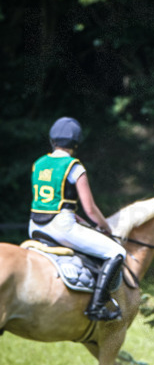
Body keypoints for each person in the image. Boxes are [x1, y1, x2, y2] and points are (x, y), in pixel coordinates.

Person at [29, 117, 126, 321]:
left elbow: (51, 202)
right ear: (75, 143)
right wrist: (105, 227)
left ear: (52, 140)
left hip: (35, 227)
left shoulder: (38, 164)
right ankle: (97, 307)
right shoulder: (74, 167)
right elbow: (90, 209)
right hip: (61, 228)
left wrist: (77, 217)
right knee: (117, 251)